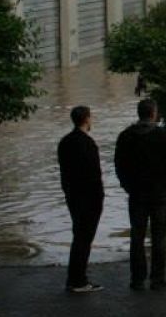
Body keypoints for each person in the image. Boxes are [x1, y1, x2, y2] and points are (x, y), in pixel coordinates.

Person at [114, 98, 166, 290]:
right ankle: (157, 279)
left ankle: (137, 279)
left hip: (136, 193)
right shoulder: (165, 137)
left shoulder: (126, 136)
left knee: (137, 235)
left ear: (139, 113)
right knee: (159, 236)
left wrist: (126, 185)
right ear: (154, 114)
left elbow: (119, 164)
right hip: (160, 193)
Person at [57, 105, 105, 293]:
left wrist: (68, 191)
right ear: (86, 119)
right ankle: (78, 280)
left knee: (79, 236)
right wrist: (99, 197)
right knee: (84, 239)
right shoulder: (88, 144)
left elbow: (64, 173)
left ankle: (75, 277)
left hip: (73, 196)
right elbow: (95, 174)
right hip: (89, 198)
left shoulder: (64, 142)